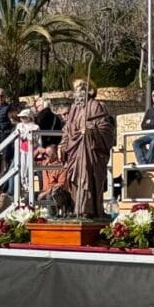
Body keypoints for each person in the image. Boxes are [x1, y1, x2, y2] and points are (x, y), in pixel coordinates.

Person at [58, 79, 116, 218]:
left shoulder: (96, 106)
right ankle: (76, 208)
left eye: (79, 88)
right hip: (75, 151)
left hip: (90, 150)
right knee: (75, 179)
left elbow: (106, 129)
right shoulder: (73, 109)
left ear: (87, 90)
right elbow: (67, 130)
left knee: (86, 178)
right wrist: (63, 144)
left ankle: (87, 209)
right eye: (75, 89)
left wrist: (90, 131)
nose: (77, 92)